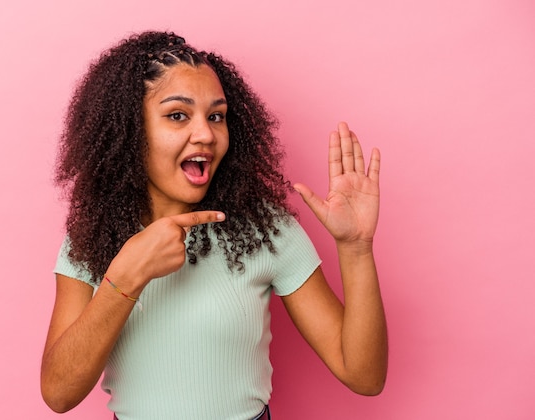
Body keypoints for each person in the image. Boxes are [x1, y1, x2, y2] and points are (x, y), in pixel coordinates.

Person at [41, 31, 388, 419]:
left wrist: (356, 249)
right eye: (177, 115)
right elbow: (59, 393)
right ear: (130, 131)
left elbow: (364, 376)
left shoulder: (265, 229)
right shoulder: (93, 236)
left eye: (216, 116)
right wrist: (124, 278)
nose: (206, 134)